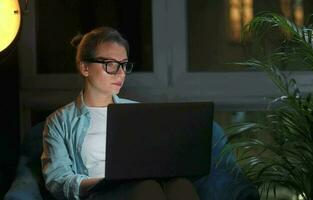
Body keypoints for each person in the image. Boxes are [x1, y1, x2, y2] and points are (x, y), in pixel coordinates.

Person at [41, 27, 200, 200]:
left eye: (123, 65)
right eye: (110, 65)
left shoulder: (138, 112)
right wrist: (103, 182)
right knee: (145, 189)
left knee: (181, 186)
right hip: (100, 193)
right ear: (85, 67)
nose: (121, 73)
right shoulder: (59, 121)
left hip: (145, 186)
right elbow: (58, 181)